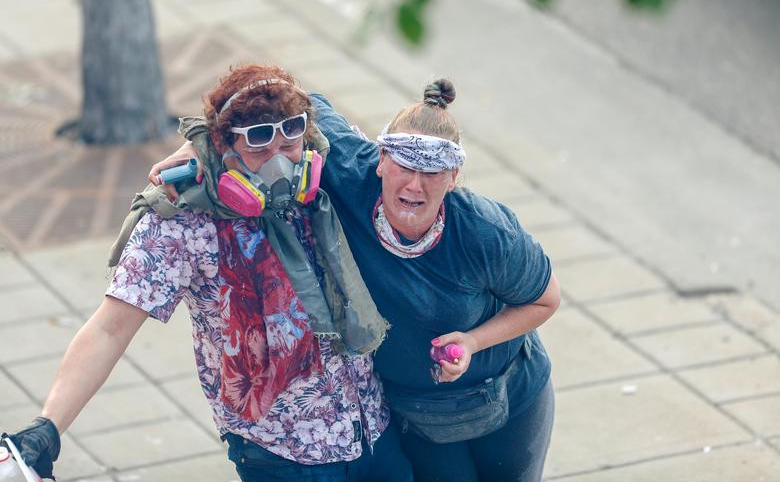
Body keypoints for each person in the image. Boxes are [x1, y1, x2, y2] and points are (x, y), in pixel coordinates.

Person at [2, 64, 413, 482]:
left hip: (373, 427)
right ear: (222, 146)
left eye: (290, 138)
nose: (279, 161)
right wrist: (47, 427)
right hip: (283, 453)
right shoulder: (181, 220)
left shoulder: (323, 174)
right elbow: (110, 328)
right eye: (257, 146)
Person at [150, 78, 561, 481]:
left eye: (434, 172)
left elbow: (545, 300)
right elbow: (277, 100)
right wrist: (200, 144)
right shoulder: (349, 172)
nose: (415, 184)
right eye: (404, 164)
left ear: (454, 178)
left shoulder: (487, 232)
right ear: (381, 159)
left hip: (507, 395)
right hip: (416, 413)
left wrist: (473, 341)